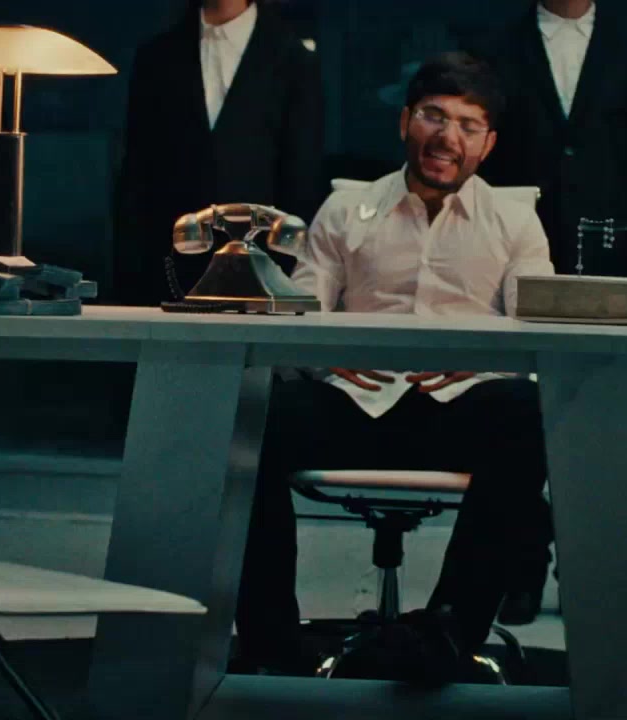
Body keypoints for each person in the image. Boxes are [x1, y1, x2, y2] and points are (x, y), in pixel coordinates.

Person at [234, 52, 555, 684]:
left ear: (487, 144)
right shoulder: (344, 210)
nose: (447, 137)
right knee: (249, 416)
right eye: (434, 116)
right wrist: (322, 353)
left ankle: (450, 631)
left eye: (467, 125)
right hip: (357, 402)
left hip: (463, 408)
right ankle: (272, 640)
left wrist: (485, 359)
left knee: (529, 411)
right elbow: (301, 309)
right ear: (406, 121)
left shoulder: (516, 221)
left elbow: (538, 327)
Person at [462, 0, 627, 623]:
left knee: (600, 413)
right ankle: (524, 566)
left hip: (609, 249)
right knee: (522, 412)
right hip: (514, 249)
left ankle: (591, 568)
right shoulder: (495, 43)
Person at [114, 0, 325, 306]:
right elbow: (136, 178)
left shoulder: (295, 59)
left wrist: (285, 275)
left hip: (263, 273)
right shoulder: (156, 57)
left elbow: (302, 177)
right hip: (167, 269)